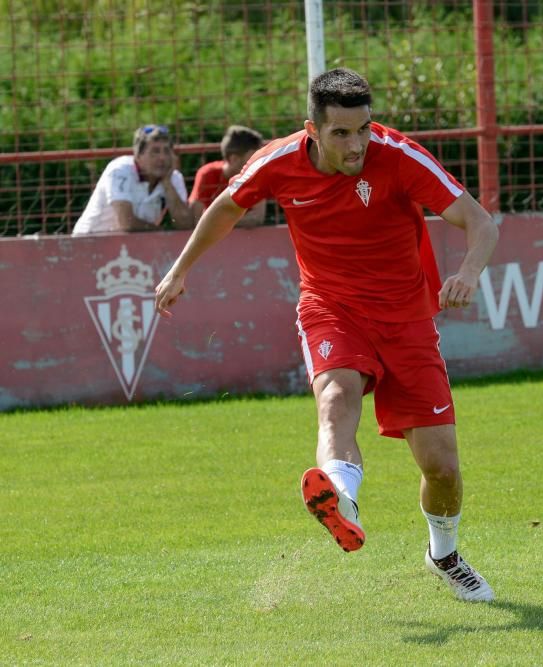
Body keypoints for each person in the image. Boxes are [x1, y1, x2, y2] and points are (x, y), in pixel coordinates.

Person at [154, 68, 499, 602]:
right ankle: (342, 497)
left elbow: (480, 221)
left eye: (363, 129)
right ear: (312, 129)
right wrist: (180, 270)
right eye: (341, 133)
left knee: (443, 468)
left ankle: (444, 554)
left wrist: (469, 272)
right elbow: (225, 209)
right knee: (336, 395)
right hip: (330, 307)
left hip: (407, 320)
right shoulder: (278, 161)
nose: (357, 143)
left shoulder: (398, 155)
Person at [72, 125, 193, 235]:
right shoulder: (119, 170)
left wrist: (167, 184)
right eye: (155, 152)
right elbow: (127, 223)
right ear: (138, 156)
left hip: (134, 243)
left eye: (166, 151)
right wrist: (162, 234)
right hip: (90, 239)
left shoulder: (174, 177)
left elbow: (185, 224)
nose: (162, 158)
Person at [188, 125, 267, 228]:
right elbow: (196, 218)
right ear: (233, 159)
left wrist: (217, 221)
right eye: (253, 158)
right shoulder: (207, 174)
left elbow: (257, 218)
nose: (258, 162)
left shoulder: (255, 175)